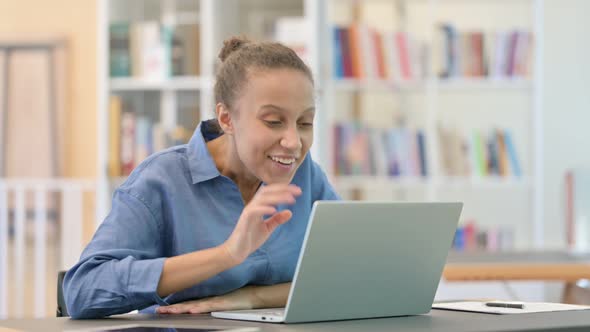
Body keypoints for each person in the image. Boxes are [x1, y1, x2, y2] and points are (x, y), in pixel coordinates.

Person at [63, 36, 340, 319]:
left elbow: (348, 276)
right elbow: (83, 290)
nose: (294, 142)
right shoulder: (162, 180)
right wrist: (227, 255)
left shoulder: (307, 177)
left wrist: (251, 298)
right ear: (226, 118)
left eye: (305, 123)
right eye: (273, 121)